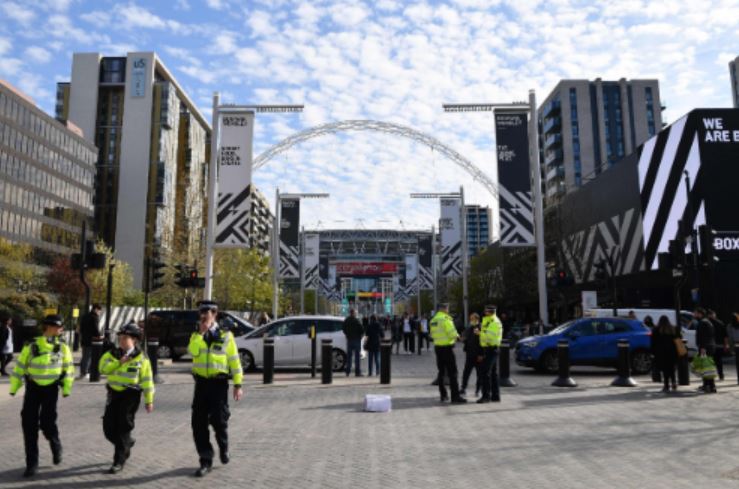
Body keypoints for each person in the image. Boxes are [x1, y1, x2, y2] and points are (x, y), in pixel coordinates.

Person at [9, 315, 74, 478]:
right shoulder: (31, 345)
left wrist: (67, 388)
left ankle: (55, 444)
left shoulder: (63, 347)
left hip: (51, 390)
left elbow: (69, 369)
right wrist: (14, 387)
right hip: (33, 389)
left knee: (47, 422)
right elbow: (20, 367)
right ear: (49, 327)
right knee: (28, 424)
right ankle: (32, 463)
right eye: (59, 326)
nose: (61, 329)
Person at [189, 300, 243, 477]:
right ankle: (205, 460)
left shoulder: (226, 335)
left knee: (219, 421)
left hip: (219, 384)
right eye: (201, 314)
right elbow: (193, 352)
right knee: (198, 423)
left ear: (214, 315)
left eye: (207, 313)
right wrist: (199, 335)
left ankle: (223, 446)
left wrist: (238, 384)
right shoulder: (196, 335)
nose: (204, 316)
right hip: (202, 384)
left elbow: (234, 361)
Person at [98, 322, 154, 474]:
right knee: (108, 428)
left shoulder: (141, 357)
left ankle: (119, 460)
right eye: (120, 338)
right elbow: (102, 368)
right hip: (113, 394)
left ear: (134, 340)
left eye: (125, 338)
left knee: (123, 426)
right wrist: (118, 363)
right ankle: (126, 444)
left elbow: (147, 380)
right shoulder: (112, 354)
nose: (121, 341)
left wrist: (149, 400)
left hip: (131, 395)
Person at [430, 303, 466, 404]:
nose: (448, 310)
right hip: (447, 349)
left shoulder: (433, 320)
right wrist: (459, 337)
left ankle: (443, 395)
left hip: (438, 348)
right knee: (453, 373)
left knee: (441, 372)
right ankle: (455, 397)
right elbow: (452, 333)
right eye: (447, 308)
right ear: (444, 309)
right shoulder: (446, 319)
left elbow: (432, 334)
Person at [478, 305, 503, 404]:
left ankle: (486, 396)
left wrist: (479, 333)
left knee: (485, 373)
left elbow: (490, 337)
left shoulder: (494, 322)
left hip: (491, 349)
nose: (484, 312)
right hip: (490, 349)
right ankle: (495, 396)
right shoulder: (489, 321)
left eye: (486, 311)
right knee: (493, 373)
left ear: (490, 312)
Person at [651, 315, 678, 392]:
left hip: (661, 352)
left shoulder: (656, 329)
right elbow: (678, 339)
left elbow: (653, 342)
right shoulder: (673, 328)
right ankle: (674, 382)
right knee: (672, 368)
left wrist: (653, 352)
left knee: (665, 369)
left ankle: (666, 385)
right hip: (672, 351)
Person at [694, 307, 716, 393]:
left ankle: (709, 385)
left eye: (695, 313)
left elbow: (702, 336)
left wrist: (702, 348)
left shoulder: (702, 323)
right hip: (710, 346)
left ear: (700, 314)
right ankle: (708, 385)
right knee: (708, 367)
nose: (694, 314)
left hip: (705, 348)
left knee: (705, 367)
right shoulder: (708, 322)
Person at [460, 313, 482, 397]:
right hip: (469, 354)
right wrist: (463, 339)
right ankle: (463, 388)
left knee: (479, 374)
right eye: (470, 319)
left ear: (477, 319)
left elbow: (482, 342)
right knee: (466, 372)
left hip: (478, 355)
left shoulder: (481, 328)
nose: (471, 320)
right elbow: (466, 338)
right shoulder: (469, 328)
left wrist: (481, 354)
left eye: (472, 319)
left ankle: (478, 390)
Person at [79, 303, 102, 379]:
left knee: (84, 356)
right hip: (91, 340)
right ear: (95, 309)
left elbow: (81, 328)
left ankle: (82, 372)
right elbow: (95, 328)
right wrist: (99, 335)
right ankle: (86, 372)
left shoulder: (85, 316)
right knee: (88, 356)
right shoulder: (94, 317)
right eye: (99, 310)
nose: (99, 312)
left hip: (84, 339)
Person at [707, 309, 729, 381]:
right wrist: (725, 345)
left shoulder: (707, 323)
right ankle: (721, 375)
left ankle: (711, 376)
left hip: (710, 345)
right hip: (719, 345)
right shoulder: (721, 323)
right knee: (719, 361)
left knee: (710, 361)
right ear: (715, 315)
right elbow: (725, 336)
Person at [342, 309, 364, 376]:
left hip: (349, 340)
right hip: (356, 340)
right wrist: (360, 336)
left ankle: (348, 371)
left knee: (349, 357)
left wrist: (347, 334)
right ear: (354, 313)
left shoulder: (347, 320)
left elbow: (343, 329)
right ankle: (357, 372)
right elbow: (362, 329)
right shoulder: (357, 320)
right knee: (357, 357)